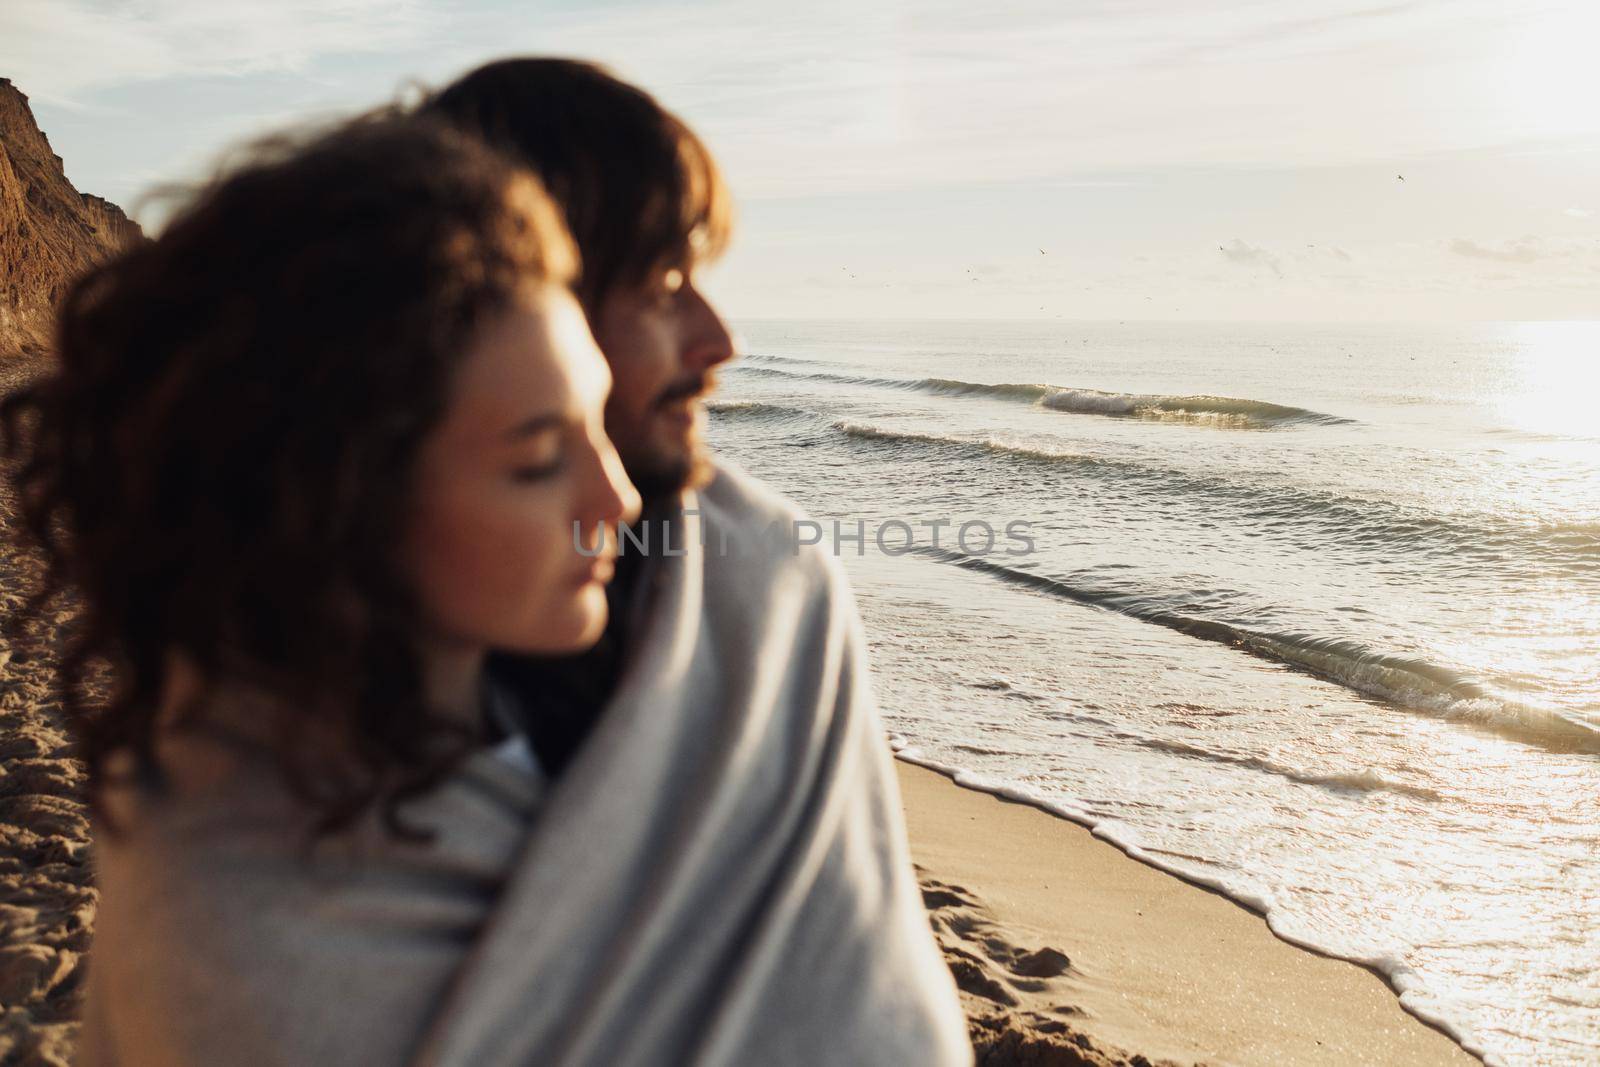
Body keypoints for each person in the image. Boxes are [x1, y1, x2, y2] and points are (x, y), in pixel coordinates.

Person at [0, 115, 639, 1064]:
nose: (619, 498)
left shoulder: (287, 733)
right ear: (345, 495)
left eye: (600, 422)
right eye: (542, 457)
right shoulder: (302, 939)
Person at [423, 59, 971, 1065]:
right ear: (524, 300)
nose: (720, 340)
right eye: (663, 285)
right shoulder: (265, 679)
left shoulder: (772, 584)